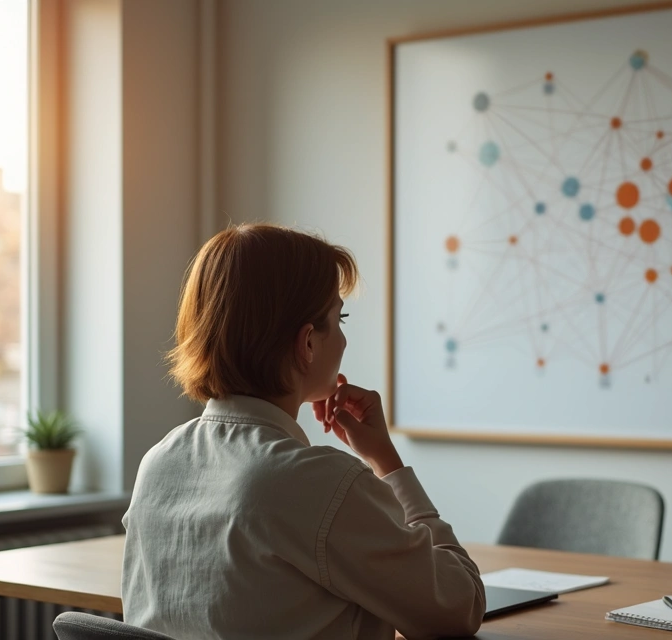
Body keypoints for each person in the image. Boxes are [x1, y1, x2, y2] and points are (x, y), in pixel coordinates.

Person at [121, 224, 485, 639]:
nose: (345, 338)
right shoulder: (317, 483)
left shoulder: (157, 465)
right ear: (307, 343)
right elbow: (460, 606)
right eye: (339, 316)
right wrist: (388, 463)